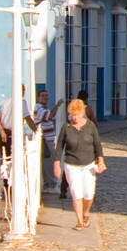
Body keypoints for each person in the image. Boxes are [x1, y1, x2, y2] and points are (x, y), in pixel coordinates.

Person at [53, 99, 105, 231]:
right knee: (76, 193)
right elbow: (59, 147)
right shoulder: (66, 127)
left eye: (77, 114)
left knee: (88, 193)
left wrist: (101, 161)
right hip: (71, 164)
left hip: (88, 165)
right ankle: (79, 221)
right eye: (72, 115)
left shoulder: (90, 126)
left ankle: (86, 213)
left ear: (83, 113)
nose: (75, 118)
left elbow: (97, 145)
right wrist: (57, 164)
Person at [61, 89, 96, 199]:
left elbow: (67, 121)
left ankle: (63, 189)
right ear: (86, 99)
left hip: (71, 138)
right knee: (85, 165)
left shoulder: (71, 109)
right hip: (85, 139)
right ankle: (84, 190)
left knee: (69, 165)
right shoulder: (88, 109)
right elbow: (93, 123)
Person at [34, 90, 64, 191]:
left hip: (49, 138)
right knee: (48, 162)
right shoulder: (38, 108)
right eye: (43, 96)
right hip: (45, 140)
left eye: (46, 95)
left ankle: (49, 183)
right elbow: (50, 116)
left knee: (50, 161)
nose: (45, 97)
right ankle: (50, 184)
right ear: (38, 97)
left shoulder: (43, 108)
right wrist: (58, 105)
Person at [0, 93, 35, 161]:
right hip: (13, 133)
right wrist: (35, 130)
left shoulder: (4, 102)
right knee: (14, 159)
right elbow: (27, 118)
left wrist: (1, 131)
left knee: (5, 159)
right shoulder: (22, 103)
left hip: (4, 132)